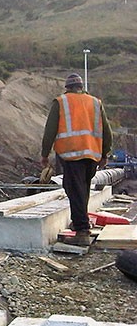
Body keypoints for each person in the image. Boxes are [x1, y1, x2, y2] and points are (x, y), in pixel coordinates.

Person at [41, 73, 112, 244]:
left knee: (75, 190)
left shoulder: (61, 102)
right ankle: (79, 222)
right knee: (83, 190)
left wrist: (44, 154)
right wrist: (105, 154)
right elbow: (107, 131)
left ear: (67, 88)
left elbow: (50, 130)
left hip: (71, 154)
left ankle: (82, 232)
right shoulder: (95, 103)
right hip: (92, 155)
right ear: (81, 87)